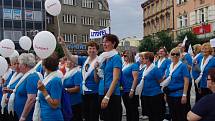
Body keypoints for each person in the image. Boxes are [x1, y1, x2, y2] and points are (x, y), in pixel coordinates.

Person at [58, 36, 99, 121]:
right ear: (87, 51)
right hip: (84, 93)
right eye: (90, 48)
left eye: (93, 48)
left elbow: (97, 80)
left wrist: (95, 69)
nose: (91, 50)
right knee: (86, 117)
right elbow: (70, 57)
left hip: (95, 93)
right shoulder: (84, 60)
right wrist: (63, 45)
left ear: (97, 50)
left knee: (93, 117)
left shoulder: (100, 61)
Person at [95, 34, 122, 121]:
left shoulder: (116, 57)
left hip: (112, 95)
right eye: (103, 42)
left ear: (113, 43)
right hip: (102, 92)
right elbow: (97, 79)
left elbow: (116, 79)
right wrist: (96, 69)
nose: (104, 44)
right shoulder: (104, 57)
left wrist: (107, 97)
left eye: (106, 42)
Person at [10, 53, 41, 121]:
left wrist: (23, 116)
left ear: (25, 65)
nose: (19, 66)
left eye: (20, 64)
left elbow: (31, 99)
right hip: (21, 114)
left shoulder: (32, 77)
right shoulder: (26, 75)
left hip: (28, 116)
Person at [161, 47, 190, 121]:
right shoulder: (169, 66)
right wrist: (165, 94)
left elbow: (186, 81)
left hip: (179, 94)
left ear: (179, 55)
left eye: (177, 54)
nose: (175, 56)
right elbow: (166, 80)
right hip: (170, 94)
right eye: (173, 54)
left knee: (180, 115)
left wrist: (184, 95)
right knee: (173, 114)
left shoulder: (183, 66)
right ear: (170, 55)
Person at [136, 52, 164, 121]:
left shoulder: (154, 69)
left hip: (154, 94)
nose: (142, 59)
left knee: (156, 115)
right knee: (150, 115)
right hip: (146, 94)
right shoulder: (145, 68)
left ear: (148, 59)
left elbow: (160, 81)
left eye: (144, 58)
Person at [36, 52, 64, 121]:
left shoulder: (55, 80)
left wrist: (43, 91)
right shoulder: (48, 77)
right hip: (45, 115)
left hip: (52, 116)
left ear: (44, 66)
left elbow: (55, 105)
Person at [121, 50, 139, 121]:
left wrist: (132, 90)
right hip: (124, 89)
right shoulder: (124, 64)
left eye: (125, 55)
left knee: (133, 109)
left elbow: (135, 79)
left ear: (130, 56)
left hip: (130, 89)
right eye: (123, 55)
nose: (123, 57)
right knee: (128, 109)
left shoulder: (134, 65)